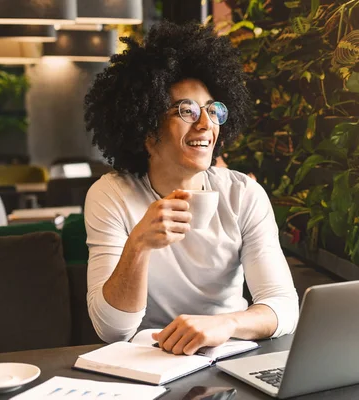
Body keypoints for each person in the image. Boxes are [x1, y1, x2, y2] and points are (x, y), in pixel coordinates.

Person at [83, 21, 299, 356]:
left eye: (213, 110)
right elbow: (112, 329)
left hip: (229, 354)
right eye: (186, 110)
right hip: (148, 362)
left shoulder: (244, 195)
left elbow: (283, 306)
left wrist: (227, 324)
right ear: (145, 128)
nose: (205, 123)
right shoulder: (111, 195)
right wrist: (138, 245)